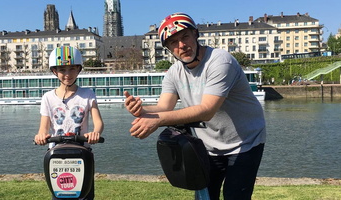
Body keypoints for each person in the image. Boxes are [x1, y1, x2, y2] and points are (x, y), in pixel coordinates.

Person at [124, 13, 266, 200]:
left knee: (235, 195)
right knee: (205, 196)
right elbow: (164, 106)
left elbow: (207, 110)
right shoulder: (174, 72)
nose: (181, 45)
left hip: (245, 142)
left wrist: (156, 121)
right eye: (173, 42)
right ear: (168, 49)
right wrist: (141, 110)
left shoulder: (220, 61)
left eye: (185, 37)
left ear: (195, 35)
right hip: (209, 146)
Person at [34, 46, 104, 200]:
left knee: (85, 194)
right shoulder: (48, 98)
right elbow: (43, 127)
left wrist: (95, 133)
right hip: (57, 155)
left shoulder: (87, 94)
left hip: (82, 152)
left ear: (79, 69)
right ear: (54, 71)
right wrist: (41, 136)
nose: (67, 74)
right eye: (62, 70)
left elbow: (98, 122)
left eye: (72, 68)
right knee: (60, 194)